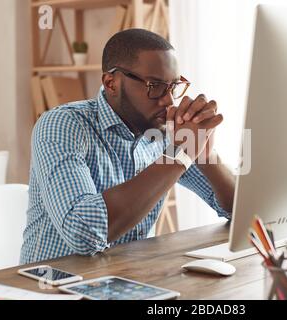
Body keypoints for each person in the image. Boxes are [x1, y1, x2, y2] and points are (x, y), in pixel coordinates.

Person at [20, 29, 235, 264]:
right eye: (155, 86)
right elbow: (83, 233)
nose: (169, 101)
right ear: (111, 83)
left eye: (173, 86)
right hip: (55, 288)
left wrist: (204, 153)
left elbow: (239, 210)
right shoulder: (62, 125)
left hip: (129, 281)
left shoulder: (162, 131)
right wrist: (178, 155)